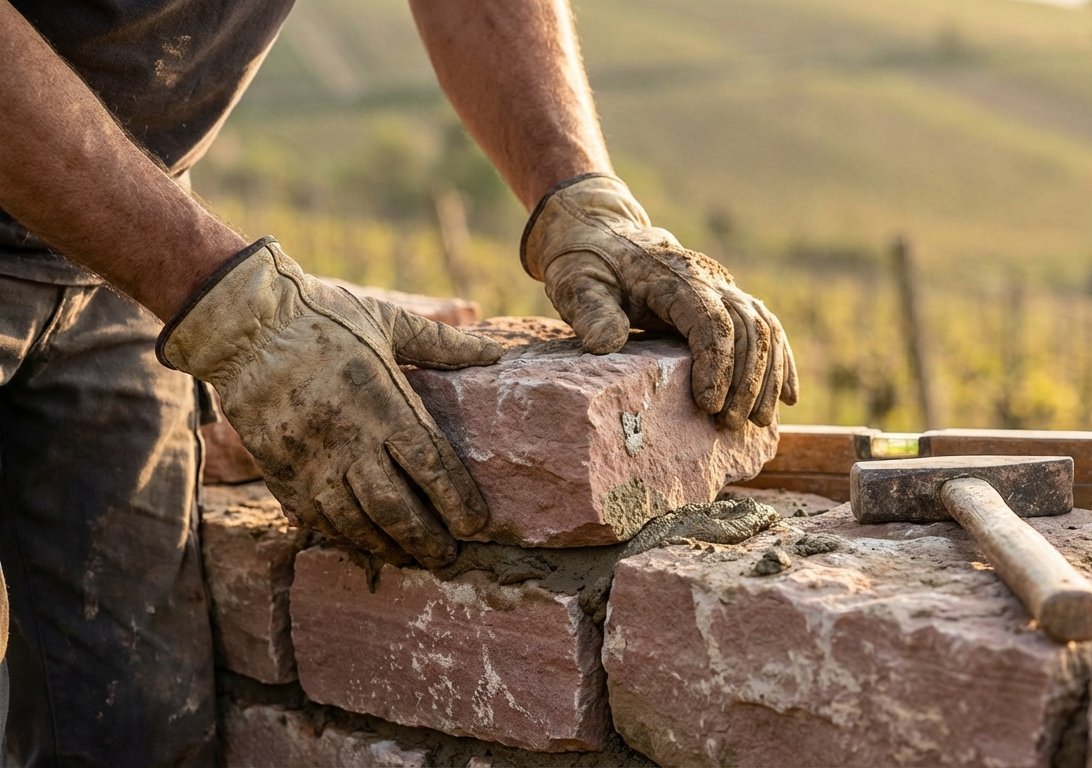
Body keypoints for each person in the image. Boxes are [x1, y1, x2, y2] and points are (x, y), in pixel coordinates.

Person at [0, 1, 798, 763]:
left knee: (129, 727)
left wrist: (579, 197)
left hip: (112, 251)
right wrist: (241, 312)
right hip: (116, 229)